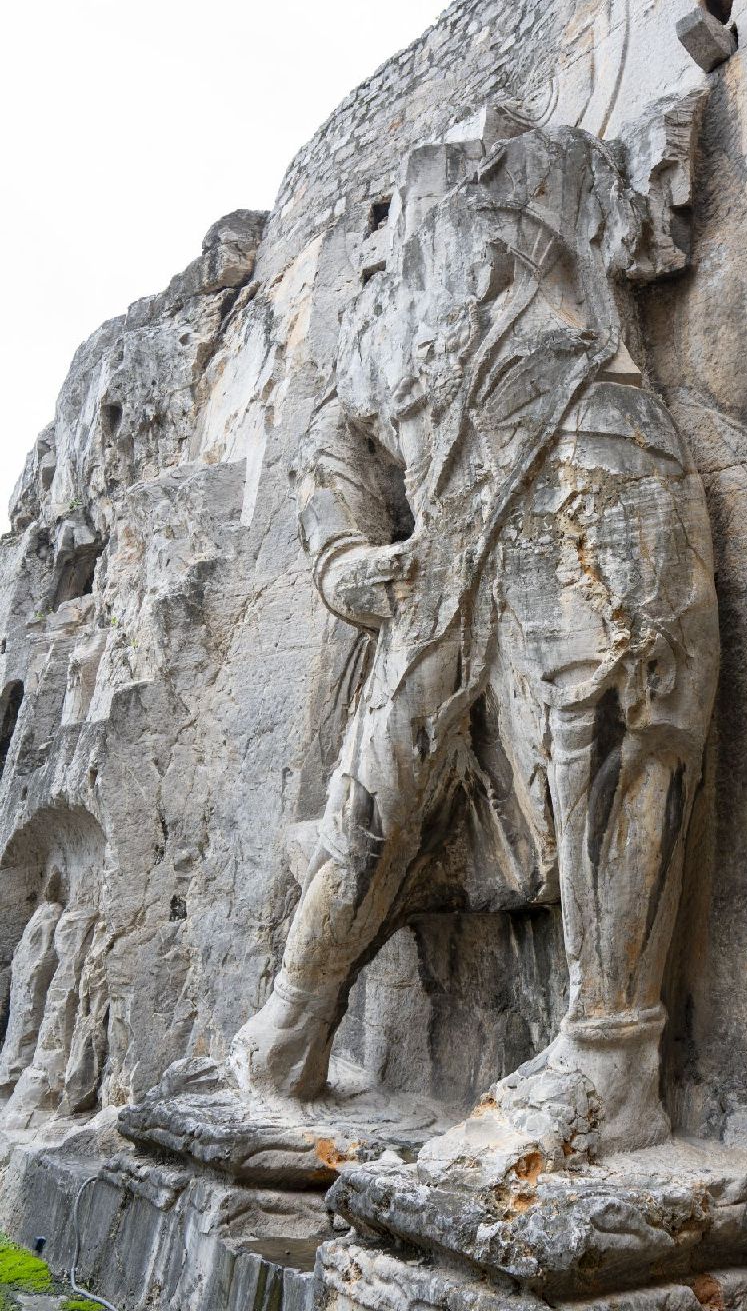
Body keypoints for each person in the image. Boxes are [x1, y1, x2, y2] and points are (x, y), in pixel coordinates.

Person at [228, 114, 719, 1156]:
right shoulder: (386, 323)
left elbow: (639, 239)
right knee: (375, 797)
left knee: (623, 720)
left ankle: (610, 1053)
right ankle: (292, 1022)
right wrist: (340, 559)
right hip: (440, 553)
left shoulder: (556, 226)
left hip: (581, 456)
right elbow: (335, 450)